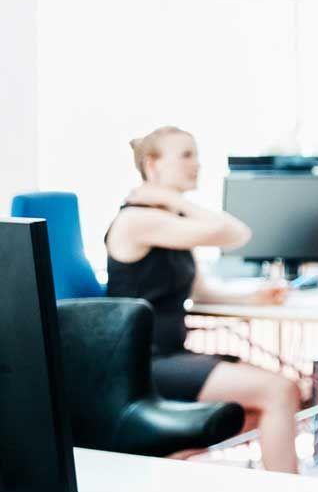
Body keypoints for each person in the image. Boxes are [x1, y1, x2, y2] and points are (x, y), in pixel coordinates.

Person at [105, 127, 302, 473]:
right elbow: (235, 233)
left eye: (196, 154)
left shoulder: (167, 223)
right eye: (185, 155)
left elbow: (202, 292)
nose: (196, 164)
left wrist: (256, 298)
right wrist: (174, 199)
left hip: (169, 355)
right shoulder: (138, 219)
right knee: (280, 391)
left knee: (254, 412)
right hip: (141, 362)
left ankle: (161, 467)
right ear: (152, 165)